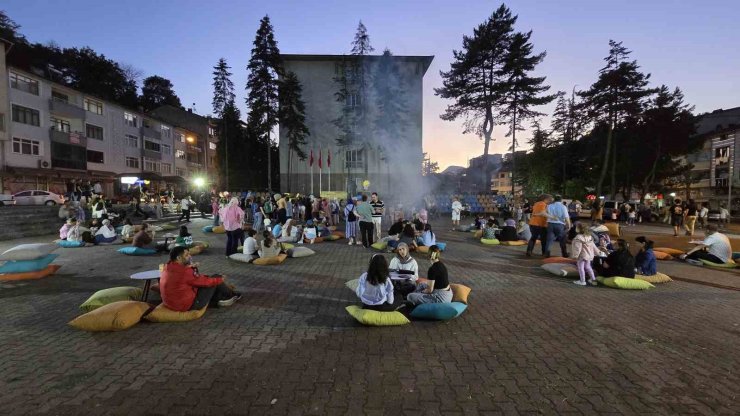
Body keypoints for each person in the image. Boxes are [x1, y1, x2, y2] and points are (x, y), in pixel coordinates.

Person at [160, 246, 241, 311]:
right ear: (178, 258)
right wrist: (220, 279)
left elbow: (188, 278)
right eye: (187, 255)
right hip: (186, 305)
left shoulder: (167, 267)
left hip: (170, 303)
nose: (190, 256)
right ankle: (231, 294)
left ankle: (221, 297)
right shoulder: (184, 272)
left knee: (212, 279)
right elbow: (204, 282)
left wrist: (190, 267)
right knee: (216, 278)